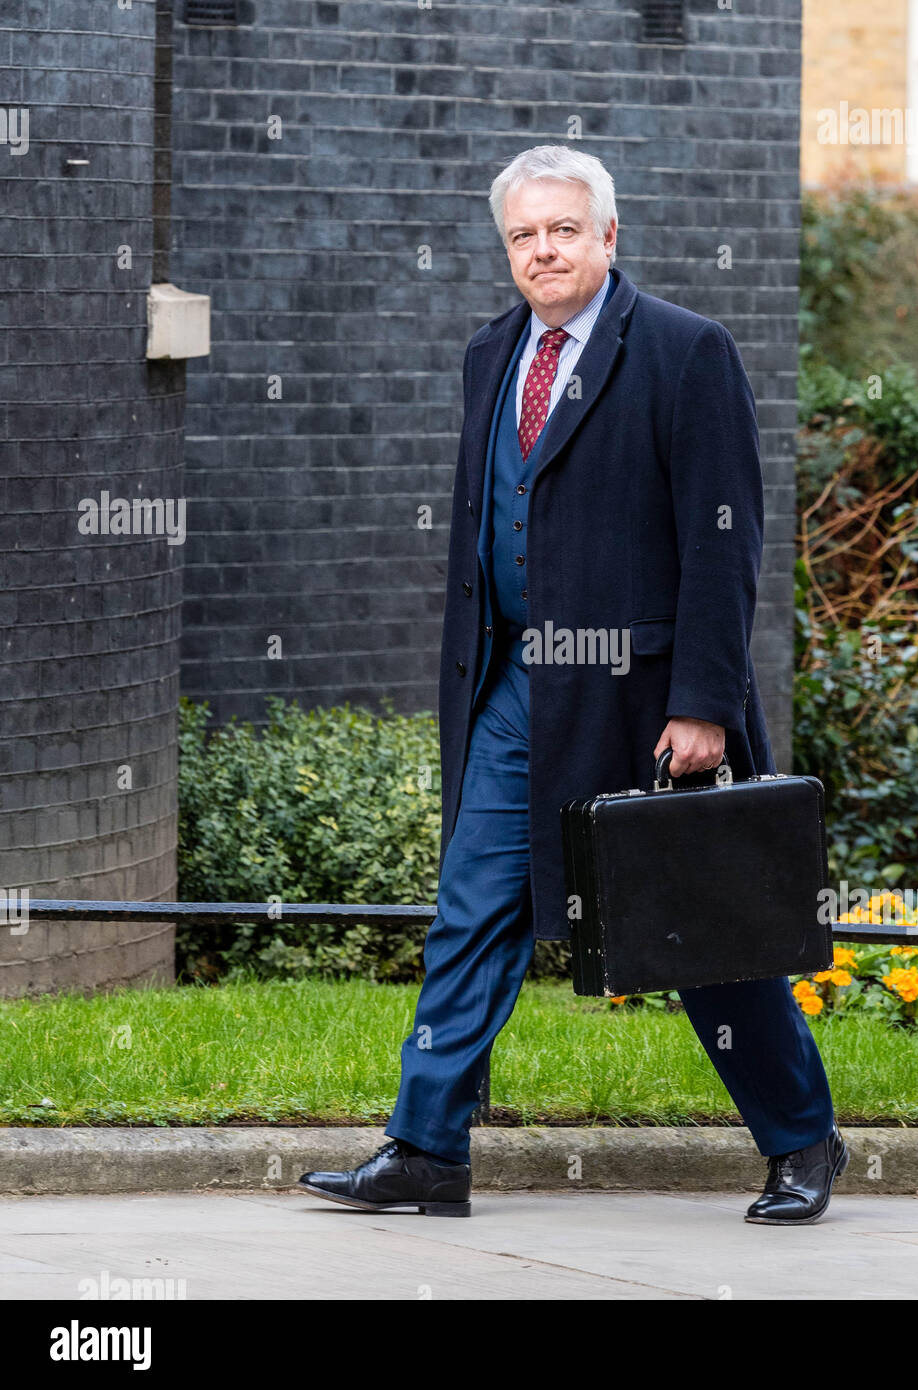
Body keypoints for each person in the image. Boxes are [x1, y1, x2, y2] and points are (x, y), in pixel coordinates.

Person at [298, 146, 847, 1224]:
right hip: (517, 696)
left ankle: (803, 1144)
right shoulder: (491, 354)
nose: (542, 250)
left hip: (650, 700)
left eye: (562, 229)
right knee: (471, 914)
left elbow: (725, 543)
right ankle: (425, 1148)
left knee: (701, 928)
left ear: (608, 236)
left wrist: (706, 703)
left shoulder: (689, 353)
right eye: (522, 236)